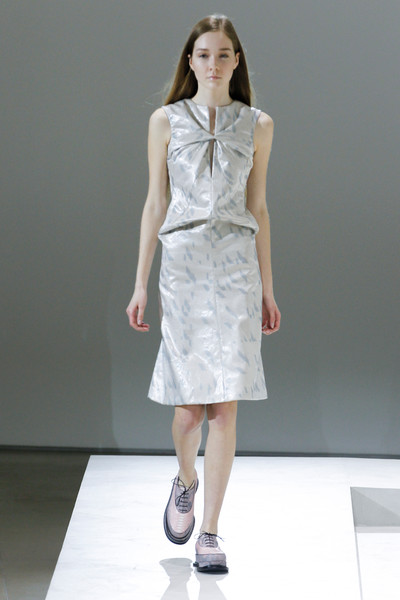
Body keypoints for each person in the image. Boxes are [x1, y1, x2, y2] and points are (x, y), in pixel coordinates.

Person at [126, 14, 281, 573]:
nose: (213, 64)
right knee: (189, 411)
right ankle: (186, 479)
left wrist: (268, 287)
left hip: (237, 266)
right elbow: (155, 203)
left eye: (223, 54)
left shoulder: (258, 125)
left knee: (225, 405)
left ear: (237, 61)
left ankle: (210, 533)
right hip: (184, 265)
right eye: (203, 54)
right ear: (189, 62)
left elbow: (259, 207)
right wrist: (140, 284)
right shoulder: (165, 121)